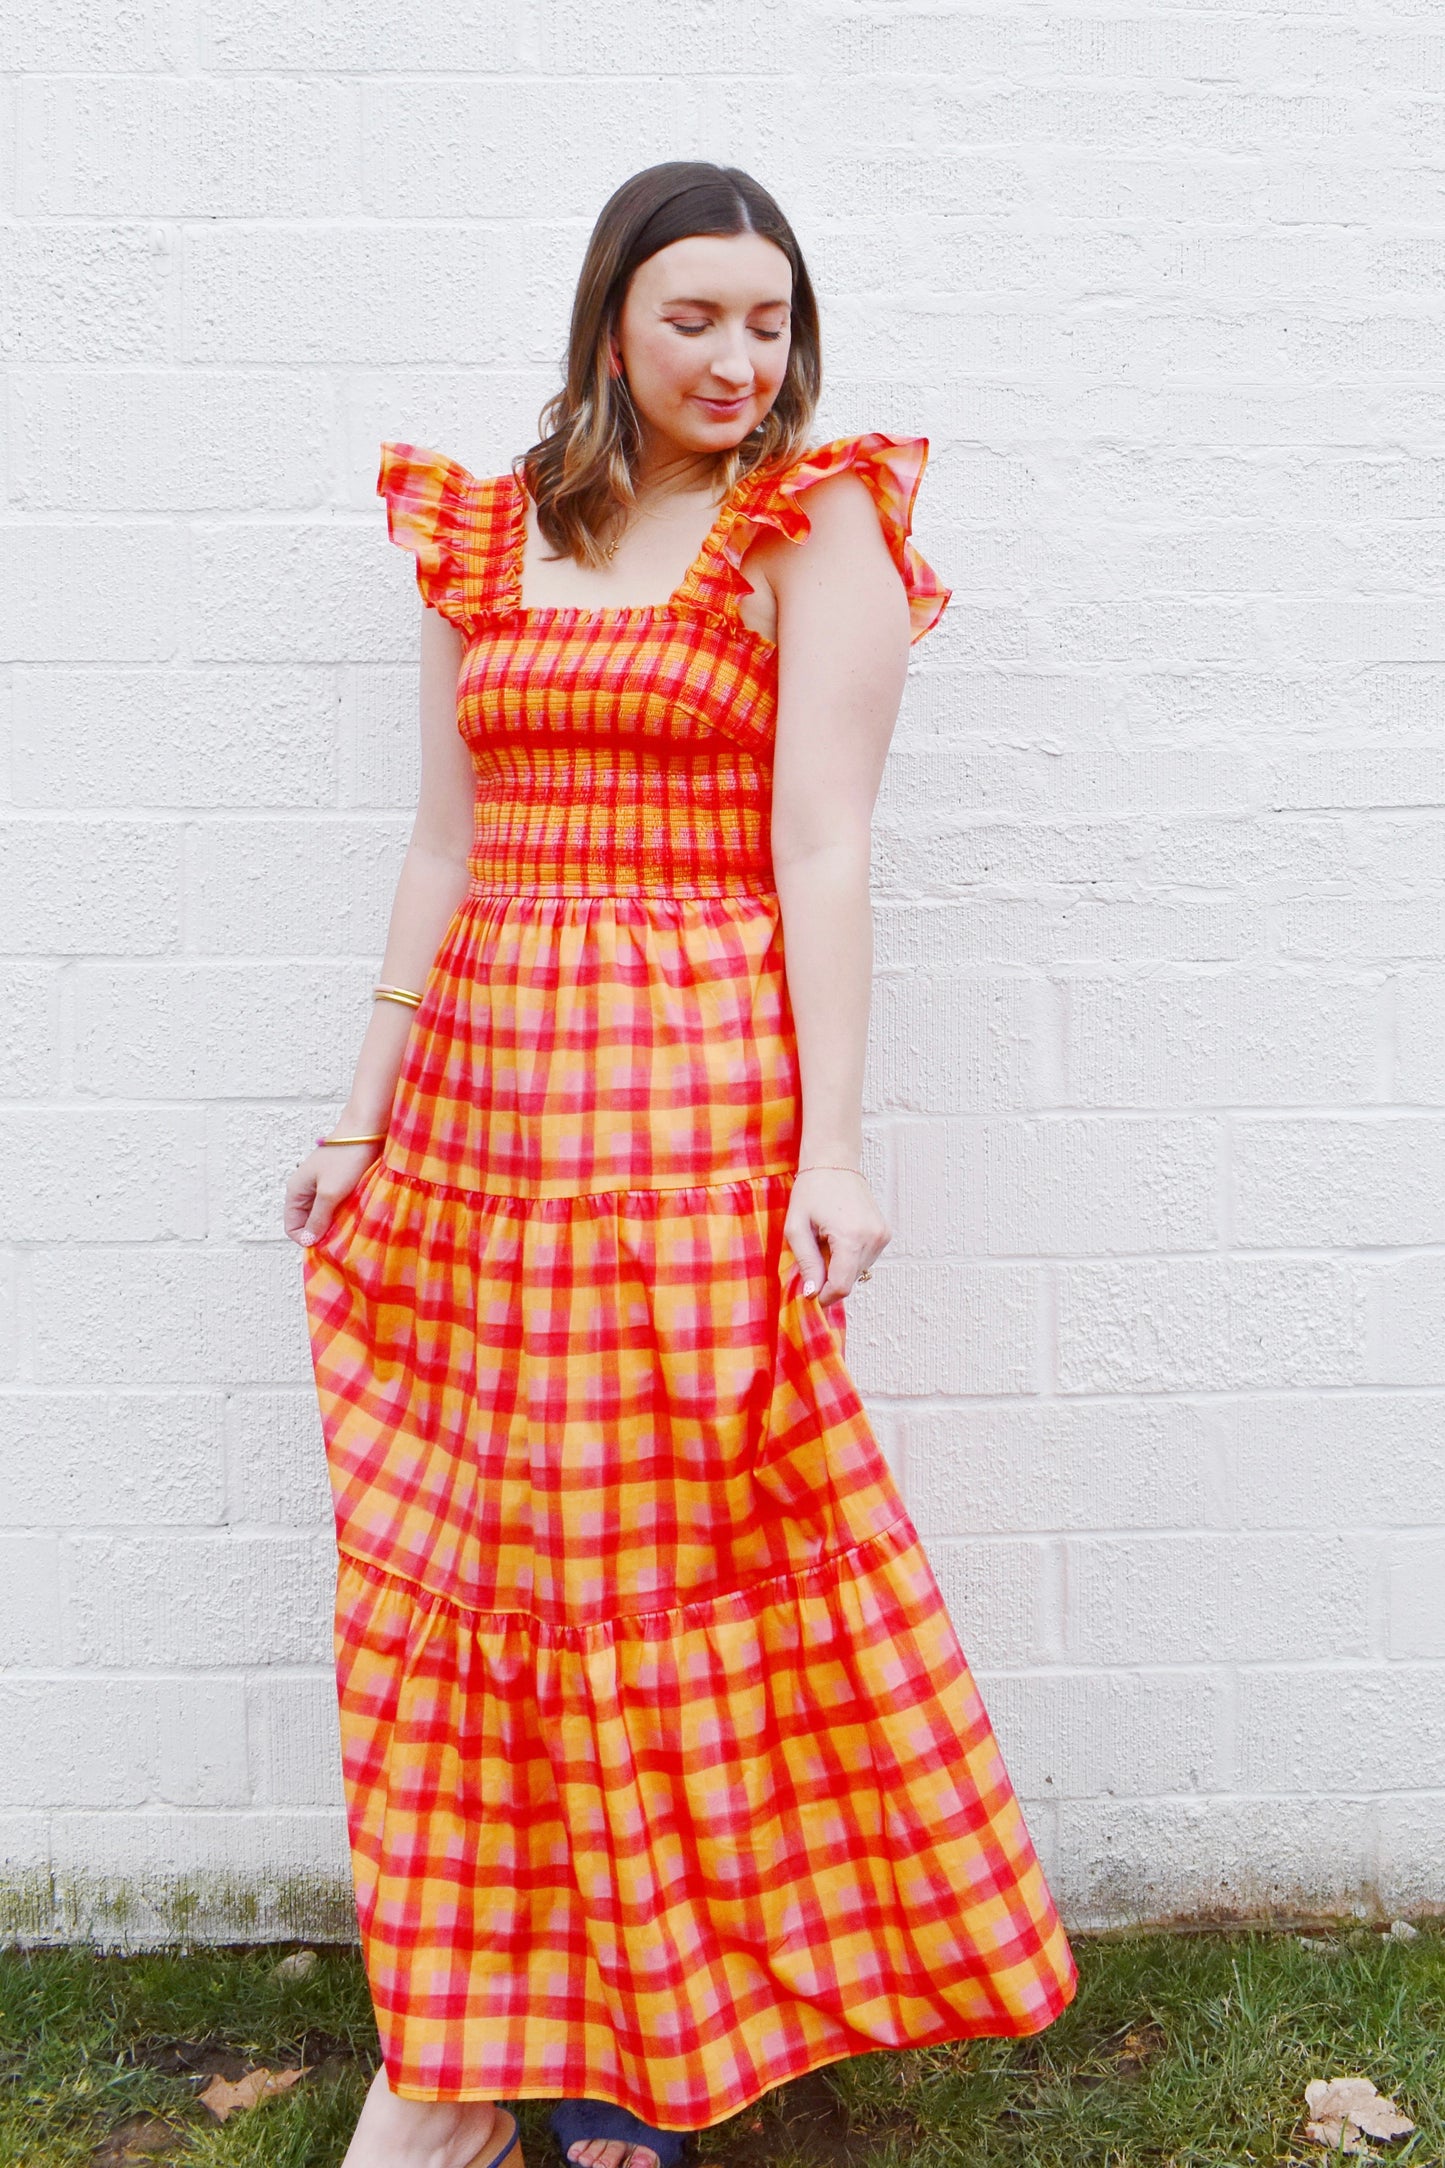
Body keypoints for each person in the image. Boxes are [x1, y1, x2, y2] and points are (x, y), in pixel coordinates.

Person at [287, 160, 1076, 2168]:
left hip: (681, 1105)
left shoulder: (812, 527)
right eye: (697, 319)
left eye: (772, 320)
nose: (743, 359)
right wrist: (356, 1114)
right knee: (488, 1565)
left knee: (660, 1577)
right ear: (609, 324)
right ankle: (478, 2044)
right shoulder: (500, 526)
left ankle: (631, 2057)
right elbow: (444, 846)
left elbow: (823, 847)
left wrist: (833, 1150)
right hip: (486, 1110)